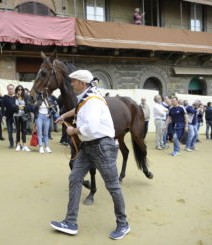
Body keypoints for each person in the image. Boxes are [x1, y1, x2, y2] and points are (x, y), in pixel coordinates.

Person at [50, 70, 130, 240]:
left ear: (82, 83)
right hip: (89, 147)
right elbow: (78, 109)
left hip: (101, 147)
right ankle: (70, 222)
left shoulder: (92, 101)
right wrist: (64, 115)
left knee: (113, 186)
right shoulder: (88, 97)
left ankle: (123, 224)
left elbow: (91, 128)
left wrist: (73, 130)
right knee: (74, 178)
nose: (71, 84)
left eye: (74, 81)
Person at [13, 85, 31, 152]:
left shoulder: (25, 97)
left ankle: (24, 145)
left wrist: (21, 106)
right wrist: (20, 107)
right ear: (16, 90)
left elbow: (28, 105)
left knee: (24, 130)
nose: (20, 91)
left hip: (24, 115)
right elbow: (13, 106)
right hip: (16, 115)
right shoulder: (14, 97)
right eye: (18, 89)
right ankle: (18, 144)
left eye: (21, 89)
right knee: (18, 130)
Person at [1, 84, 17, 148]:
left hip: (17, 116)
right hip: (8, 116)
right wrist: (3, 115)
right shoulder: (5, 97)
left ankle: (18, 143)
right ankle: (11, 144)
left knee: (18, 131)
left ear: (14, 89)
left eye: (12, 89)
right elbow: (2, 107)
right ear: (7, 89)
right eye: (9, 89)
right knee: (9, 131)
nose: (11, 90)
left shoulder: (17, 97)